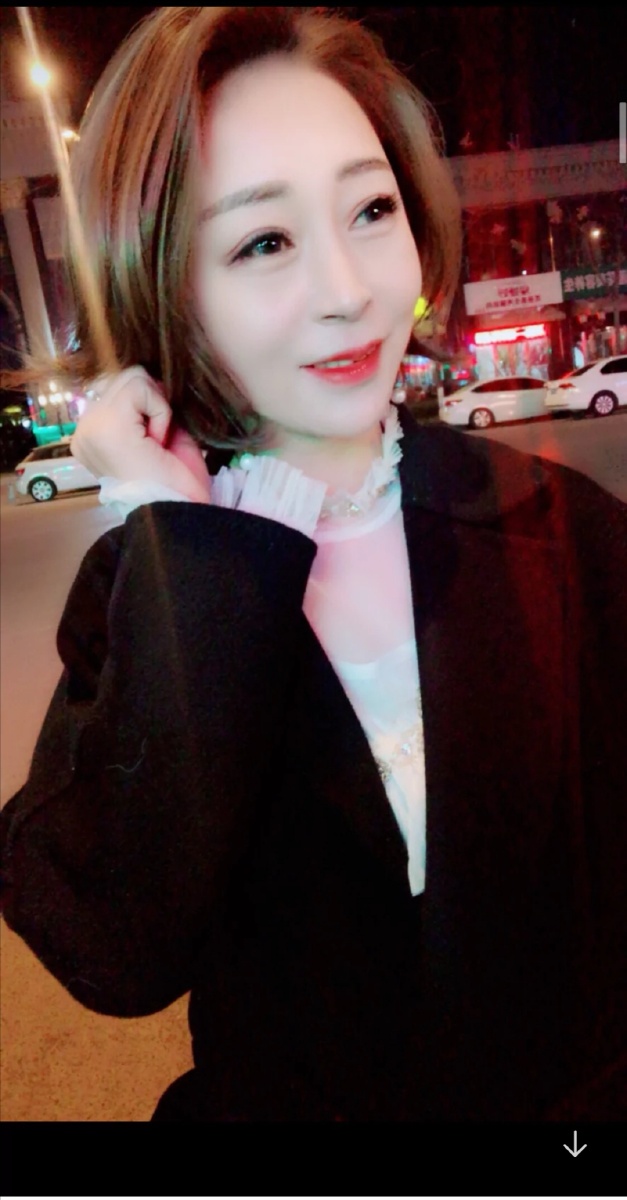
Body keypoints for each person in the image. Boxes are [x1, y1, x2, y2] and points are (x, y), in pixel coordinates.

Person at [1, 5, 626, 1124]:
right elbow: (115, 947)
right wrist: (174, 529)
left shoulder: (565, 530)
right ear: (167, 284)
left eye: (371, 210)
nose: (347, 289)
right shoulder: (155, 585)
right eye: (263, 242)